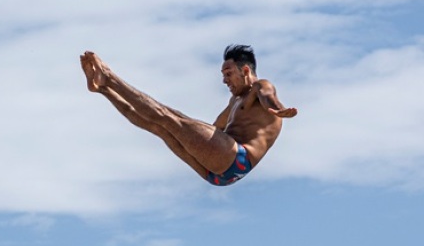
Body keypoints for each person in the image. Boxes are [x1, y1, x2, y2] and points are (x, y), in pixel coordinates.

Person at [80, 44, 297, 186]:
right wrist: (189, 137)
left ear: (246, 71)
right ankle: (103, 89)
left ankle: (109, 77)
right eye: (223, 75)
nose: (224, 80)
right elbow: (213, 130)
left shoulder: (260, 86)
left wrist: (279, 109)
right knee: (160, 127)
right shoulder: (235, 102)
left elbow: (269, 97)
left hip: (237, 157)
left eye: (228, 74)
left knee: (167, 116)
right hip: (217, 172)